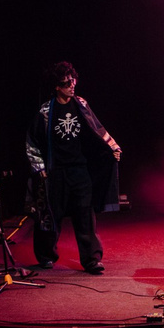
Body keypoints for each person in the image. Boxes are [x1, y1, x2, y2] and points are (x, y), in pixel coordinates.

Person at [26, 61, 121, 274]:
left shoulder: (81, 105)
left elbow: (97, 128)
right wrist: (38, 165)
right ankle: (46, 256)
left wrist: (112, 146)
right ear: (57, 87)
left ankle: (91, 259)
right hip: (55, 171)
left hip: (79, 169)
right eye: (66, 83)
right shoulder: (45, 111)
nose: (72, 85)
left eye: (73, 80)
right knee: (51, 214)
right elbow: (32, 140)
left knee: (85, 214)